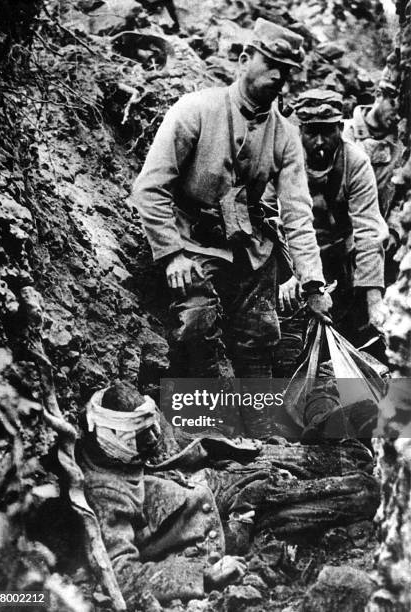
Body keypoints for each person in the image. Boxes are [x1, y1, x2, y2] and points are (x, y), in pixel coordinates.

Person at [132, 18, 331, 387]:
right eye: (269, 63)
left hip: (248, 248)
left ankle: (260, 427)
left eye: (285, 71)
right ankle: (211, 426)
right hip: (189, 240)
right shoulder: (195, 110)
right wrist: (171, 253)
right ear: (244, 58)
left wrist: (313, 285)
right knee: (197, 322)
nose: (277, 76)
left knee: (261, 333)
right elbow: (150, 187)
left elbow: (298, 213)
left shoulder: (286, 136)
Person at [78, 381, 246, 605]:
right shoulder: (103, 493)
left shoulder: (114, 455)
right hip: (197, 540)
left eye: (151, 429)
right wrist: (202, 577)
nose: (151, 440)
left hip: (200, 494)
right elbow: (119, 575)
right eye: (139, 435)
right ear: (111, 435)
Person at [271, 89, 388, 375]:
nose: (320, 142)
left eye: (328, 132)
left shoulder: (356, 162)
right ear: (299, 130)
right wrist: (287, 274)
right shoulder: (280, 157)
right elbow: (267, 218)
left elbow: (368, 230)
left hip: (341, 258)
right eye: (311, 133)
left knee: (355, 333)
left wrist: (374, 300)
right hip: (290, 255)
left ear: (340, 128)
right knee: (285, 337)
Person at [343, 65, 404, 284]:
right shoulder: (344, 134)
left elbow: (403, 198)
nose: (398, 116)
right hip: (337, 247)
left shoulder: (402, 149)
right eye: (394, 106)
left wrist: (394, 230)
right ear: (379, 95)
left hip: (380, 252)